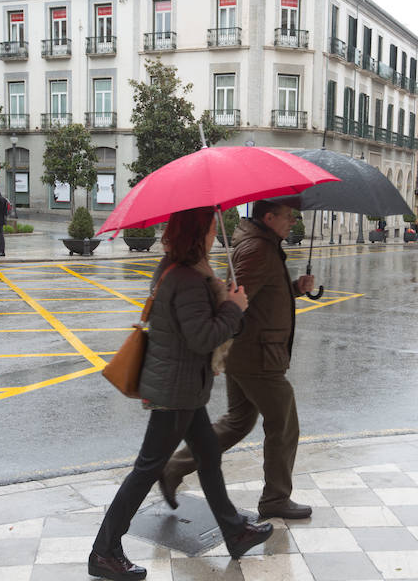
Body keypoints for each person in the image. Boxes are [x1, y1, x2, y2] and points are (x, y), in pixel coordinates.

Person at [88, 207, 272, 581]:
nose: (214, 235)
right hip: (176, 391)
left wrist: (225, 303)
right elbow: (202, 337)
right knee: (147, 469)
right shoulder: (187, 279)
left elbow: (196, 328)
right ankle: (104, 551)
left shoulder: (179, 268)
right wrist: (233, 309)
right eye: (210, 229)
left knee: (208, 455)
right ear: (197, 234)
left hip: (184, 386)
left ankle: (235, 531)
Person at [160, 200, 315, 520]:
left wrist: (295, 289)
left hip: (252, 352)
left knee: (237, 422)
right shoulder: (258, 249)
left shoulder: (264, 244)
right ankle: (275, 499)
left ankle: (172, 468)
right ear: (269, 217)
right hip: (258, 355)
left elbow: (261, 296)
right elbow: (235, 298)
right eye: (288, 216)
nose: (293, 222)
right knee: (284, 424)